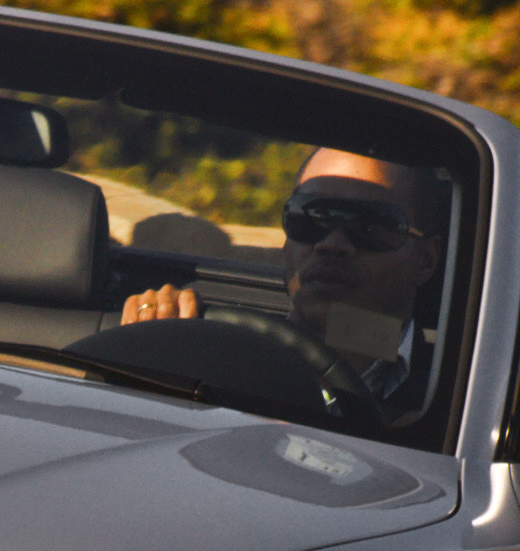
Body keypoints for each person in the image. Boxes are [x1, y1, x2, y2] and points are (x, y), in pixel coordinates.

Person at [116, 150, 445, 406]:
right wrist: (151, 350)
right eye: (309, 217)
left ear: (425, 261)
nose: (331, 244)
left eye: (369, 226)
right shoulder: (206, 356)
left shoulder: (464, 397)